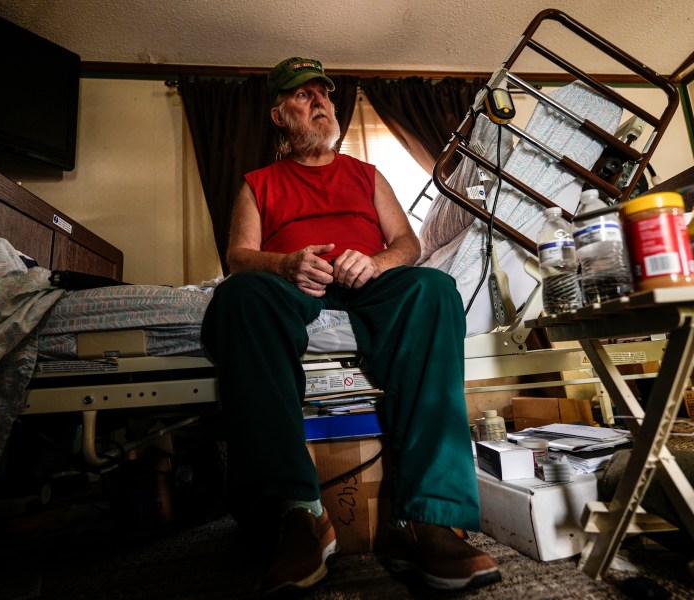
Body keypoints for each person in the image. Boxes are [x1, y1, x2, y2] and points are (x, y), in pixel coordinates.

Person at [201, 56, 500, 596]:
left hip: (368, 279)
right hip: (293, 283)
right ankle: (296, 515)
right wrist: (285, 263)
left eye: (324, 93)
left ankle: (427, 518)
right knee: (238, 298)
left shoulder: (366, 174)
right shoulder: (258, 183)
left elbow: (408, 245)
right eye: (302, 95)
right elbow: (239, 256)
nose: (319, 101)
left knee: (433, 290)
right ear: (278, 114)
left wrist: (377, 262)